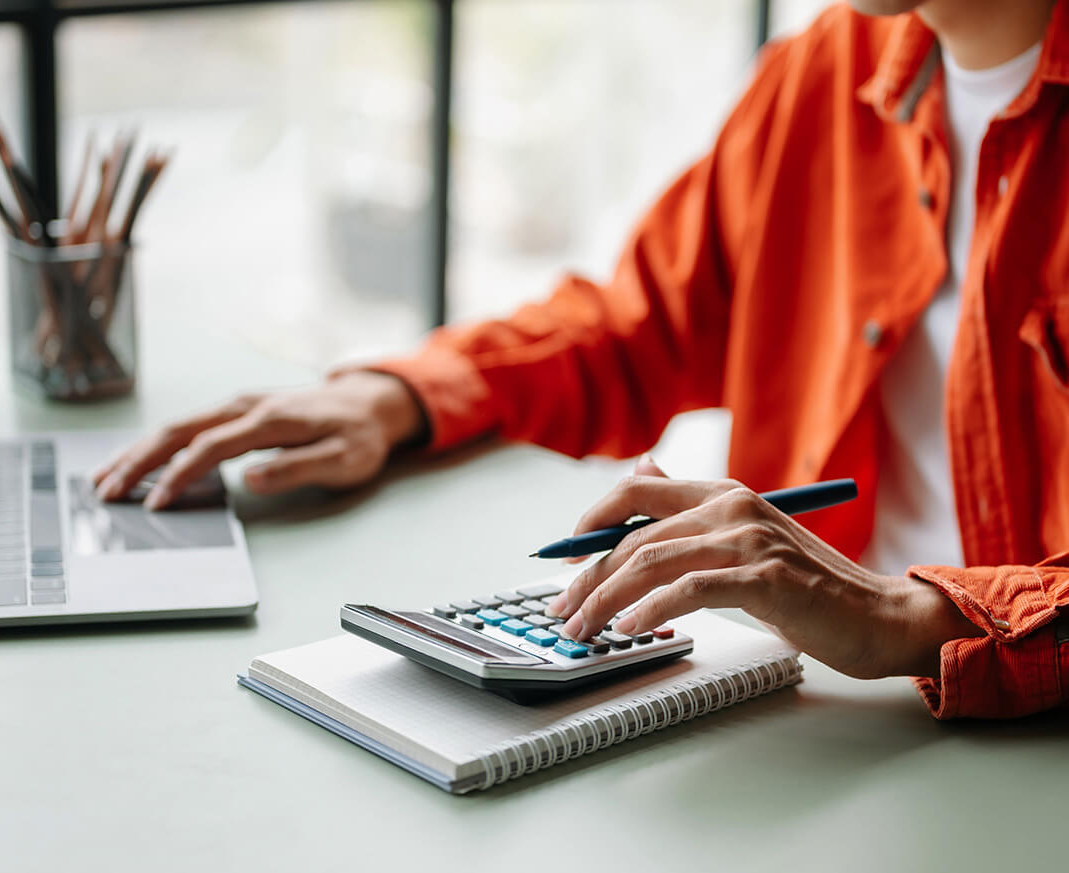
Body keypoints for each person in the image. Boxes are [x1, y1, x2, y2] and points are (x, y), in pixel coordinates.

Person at [95, 0, 1069, 719]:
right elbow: (639, 325)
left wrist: (911, 616)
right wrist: (401, 397)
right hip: (825, 719)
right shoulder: (824, 74)